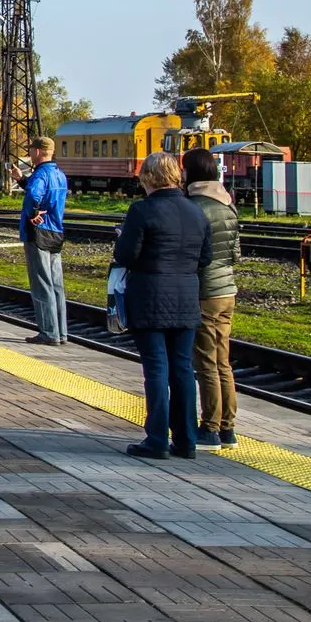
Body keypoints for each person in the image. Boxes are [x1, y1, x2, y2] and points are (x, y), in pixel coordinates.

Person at [112, 151, 212, 459]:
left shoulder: (142, 210)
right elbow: (205, 258)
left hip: (151, 298)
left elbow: (126, 255)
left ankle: (156, 438)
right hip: (186, 299)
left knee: (156, 368)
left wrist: (120, 238)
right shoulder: (197, 212)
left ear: (148, 178)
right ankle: (186, 441)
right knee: (183, 369)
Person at [183, 147, 240, 450]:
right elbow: (236, 253)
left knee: (205, 363)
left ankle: (210, 429)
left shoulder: (195, 207)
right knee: (223, 361)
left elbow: (193, 255)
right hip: (227, 290)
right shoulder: (227, 203)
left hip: (204, 291)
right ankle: (228, 429)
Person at [19, 135, 69, 345]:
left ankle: (48, 332)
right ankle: (62, 332)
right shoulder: (59, 174)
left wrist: (32, 213)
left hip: (37, 232)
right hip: (56, 231)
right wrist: (21, 180)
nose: (30, 153)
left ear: (38, 152)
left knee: (42, 283)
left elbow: (34, 195)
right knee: (57, 284)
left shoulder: (40, 174)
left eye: (31, 150)